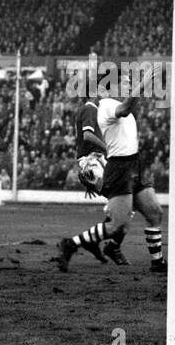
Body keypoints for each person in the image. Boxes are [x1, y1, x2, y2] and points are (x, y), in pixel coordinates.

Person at [56, 95, 165, 272]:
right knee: (121, 214)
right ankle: (98, 241)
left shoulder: (106, 109)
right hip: (94, 161)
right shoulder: (91, 108)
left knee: (136, 211)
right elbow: (88, 135)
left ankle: (109, 242)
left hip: (109, 162)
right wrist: (108, 148)